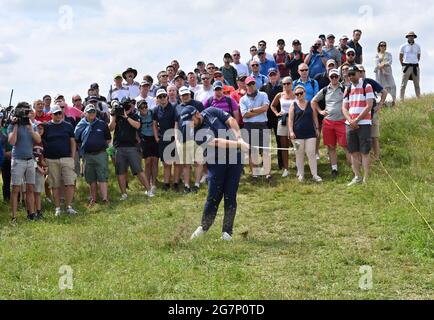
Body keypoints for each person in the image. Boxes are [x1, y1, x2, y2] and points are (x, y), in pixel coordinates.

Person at [185, 106, 250, 241]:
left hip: (234, 159)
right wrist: (238, 145)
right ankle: (204, 227)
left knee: (230, 196)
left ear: (197, 114)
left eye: (190, 120)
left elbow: (230, 120)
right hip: (216, 163)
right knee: (213, 197)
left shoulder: (211, 111)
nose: (189, 124)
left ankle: (227, 233)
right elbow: (217, 142)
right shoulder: (196, 133)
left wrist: (239, 137)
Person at [109, 98, 153, 200]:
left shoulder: (134, 115)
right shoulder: (117, 115)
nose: (128, 106)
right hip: (118, 147)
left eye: (129, 104)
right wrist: (114, 116)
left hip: (132, 147)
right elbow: (110, 128)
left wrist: (126, 117)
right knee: (120, 171)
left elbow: (137, 126)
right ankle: (124, 194)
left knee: (138, 170)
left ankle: (149, 190)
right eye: (126, 104)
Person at [312, 69, 351, 178]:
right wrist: (320, 111)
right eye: (332, 76)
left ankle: (352, 169)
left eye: (336, 76)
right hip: (328, 122)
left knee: (346, 146)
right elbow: (313, 101)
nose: (334, 78)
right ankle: (334, 169)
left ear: (339, 77)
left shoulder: (344, 89)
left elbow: (351, 101)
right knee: (331, 146)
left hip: (342, 121)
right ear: (329, 77)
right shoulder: (325, 90)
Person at [7, 102, 42, 224]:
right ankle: (14, 217)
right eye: (24, 112)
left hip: (30, 160)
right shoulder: (12, 125)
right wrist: (16, 125)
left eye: (28, 111)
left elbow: (38, 139)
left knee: (30, 188)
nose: (26, 114)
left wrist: (31, 129)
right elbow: (12, 142)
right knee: (15, 189)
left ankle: (31, 214)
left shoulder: (32, 125)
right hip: (17, 160)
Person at [42, 104, 78, 216]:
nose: (58, 115)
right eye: (56, 113)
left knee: (70, 182)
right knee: (55, 185)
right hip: (51, 159)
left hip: (67, 158)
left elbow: (72, 142)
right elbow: (41, 143)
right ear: (51, 114)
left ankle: (68, 206)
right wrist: (43, 159)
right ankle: (57, 208)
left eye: (60, 113)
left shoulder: (68, 125)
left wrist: (72, 157)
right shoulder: (46, 126)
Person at [342, 66, 375, 186]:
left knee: (365, 152)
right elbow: (344, 108)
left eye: (353, 74)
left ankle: (366, 178)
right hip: (350, 124)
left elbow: (369, 105)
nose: (351, 76)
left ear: (359, 73)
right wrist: (351, 120)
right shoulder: (348, 88)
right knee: (353, 152)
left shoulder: (367, 86)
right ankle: (357, 177)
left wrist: (356, 120)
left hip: (364, 123)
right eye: (349, 74)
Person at [75, 104, 112, 207]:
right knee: (91, 178)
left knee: (103, 177)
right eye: (90, 112)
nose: (92, 113)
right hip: (87, 155)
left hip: (101, 154)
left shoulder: (102, 124)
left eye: (94, 111)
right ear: (85, 113)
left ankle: (105, 199)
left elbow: (108, 139)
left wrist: (109, 153)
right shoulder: (80, 126)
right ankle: (94, 200)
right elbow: (77, 140)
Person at [288, 86, 322, 183]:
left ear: (305, 92)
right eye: (297, 94)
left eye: (301, 93)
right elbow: (290, 120)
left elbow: (315, 117)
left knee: (311, 153)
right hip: (297, 134)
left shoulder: (311, 104)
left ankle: (314, 175)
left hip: (310, 133)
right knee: (299, 154)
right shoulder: (293, 105)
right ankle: (301, 175)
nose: (299, 95)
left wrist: (317, 128)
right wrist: (291, 131)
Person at [240, 76, 271, 180]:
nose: (251, 86)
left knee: (265, 150)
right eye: (249, 84)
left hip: (262, 125)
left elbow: (265, 108)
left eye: (253, 83)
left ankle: (267, 173)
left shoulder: (263, 94)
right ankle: (255, 174)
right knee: (252, 151)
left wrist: (252, 110)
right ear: (246, 86)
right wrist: (259, 110)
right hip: (249, 126)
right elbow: (244, 115)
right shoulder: (242, 99)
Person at [175, 86, 205, 193]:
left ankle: (196, 184)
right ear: (180, 96)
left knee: (198, 162)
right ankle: (186, 185)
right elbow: (176, 123)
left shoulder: (198, 104)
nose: (185, 96)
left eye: (187, 94)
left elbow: (202, 118)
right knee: (186, 164)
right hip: (183, 139)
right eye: (183, 95)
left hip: (197, 138)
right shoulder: (177, 107)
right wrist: (176, 138)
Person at [357, 65, 388, 161]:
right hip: (359, 114)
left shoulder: (369, 81)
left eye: (362, 71)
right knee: (361, 137)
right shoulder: (353, 84)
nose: (361, 73)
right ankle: (362, 158)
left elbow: (384, 92)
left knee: (374, 136)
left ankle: (377, 157)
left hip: (372, 113)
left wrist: (380, 104)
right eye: (359, 71)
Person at [153, 89, 180, 191]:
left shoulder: (174, 108)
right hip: (163, 139)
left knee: (176, 162)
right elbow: (154, 124)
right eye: (160, 97)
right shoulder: (156, 109)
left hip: (174, 138)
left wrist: (176, 138)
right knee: (166, 163)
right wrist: (156, 137)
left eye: (164, 96)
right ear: (157, 99)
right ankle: (167, 183)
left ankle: (176, 183)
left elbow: (176, 123)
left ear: (167, 97)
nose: (162, 98)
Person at [270, 76, 295, 177]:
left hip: (295, 121)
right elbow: (272, 105)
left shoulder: (296, 94)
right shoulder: (280, 95)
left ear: (291, 84)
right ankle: (286, 169)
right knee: (283, 146)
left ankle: (299, 166)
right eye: (284, 84)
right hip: (283, 120)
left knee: (296, 144)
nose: (286, 86)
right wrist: (276, 113)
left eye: (288, 83)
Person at [260, 68, 284, 170]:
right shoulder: (263, 88)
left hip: (278, 118)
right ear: (268, 76)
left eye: (274, 74)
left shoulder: (282, 88)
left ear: (277, 75)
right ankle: (265, 164)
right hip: (266, 118)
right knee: (265, 142)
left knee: (279, 141)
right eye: (271, 75)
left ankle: (281, 164)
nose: (273, 76)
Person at [137, 100, 159, 195]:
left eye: (145, 106)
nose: (144, 109)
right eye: (142, 107)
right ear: (139, 109)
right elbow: (135, 130)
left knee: (155, 161)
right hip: (144, 139)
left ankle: (154, 183)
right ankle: (148, 184)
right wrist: (139, 141)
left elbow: (156, 125)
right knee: (147, 162)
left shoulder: (152, 112)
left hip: (154, 138)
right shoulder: (137, 116)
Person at [399, 31, 421, 101]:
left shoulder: (418, 46)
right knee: (403, 84)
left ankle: (418, 98)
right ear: (407, 37)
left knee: (417, 84)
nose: (411, 37)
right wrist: (403, 66)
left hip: (415, 67)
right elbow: (400, 57)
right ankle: (401, 99)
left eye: (412, 36)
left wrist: (414, 62)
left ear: (414, 37)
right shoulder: (403, 46)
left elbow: (418, 57)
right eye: (409, 36)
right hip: (406, 66)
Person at [33, 123, 48, 219]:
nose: (39, 130)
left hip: (39, 169)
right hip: (30, 167)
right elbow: (30, 156)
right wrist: (38, 167)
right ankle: (31, 212)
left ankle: (38, 212)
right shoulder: (31, 140)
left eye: (41, 129)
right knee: (29, 192)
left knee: (38, 191)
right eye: (37, 129)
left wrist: (45, 166)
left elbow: (41, 157)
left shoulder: (43, 142)